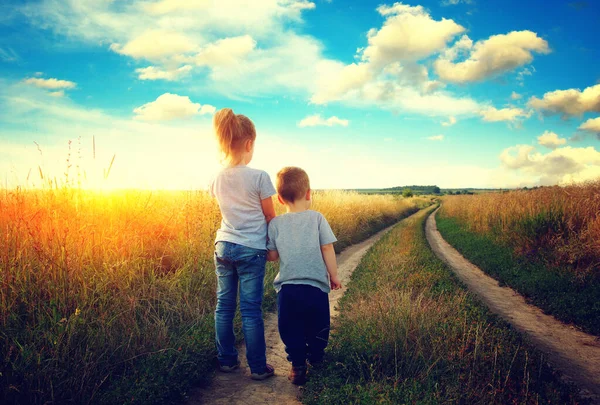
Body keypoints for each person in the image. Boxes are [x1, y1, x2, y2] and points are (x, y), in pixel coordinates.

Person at [209, 108, 276, 380]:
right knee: (250, 309)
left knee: (224, 306)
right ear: (249, 143)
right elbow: (270, 216)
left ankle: (226, 361)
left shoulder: (216, 177)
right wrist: (272, 247)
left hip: (224, 246)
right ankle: (258, 368)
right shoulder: (259, 176)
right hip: (252, 250)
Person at [266, 167, 341, 385]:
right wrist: (334, 276)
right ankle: (316, 357)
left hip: (288, 289)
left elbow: (272, 256)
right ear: (309, 193)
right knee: (319, 325)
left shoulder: (275, 224)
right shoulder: (317, 218)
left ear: (280, 199)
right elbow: (327, 248)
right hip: (315, 287)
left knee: (290, 327)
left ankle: (297, 365)